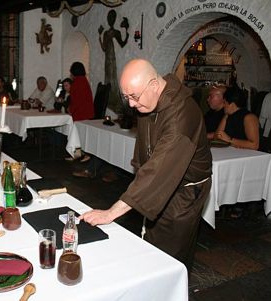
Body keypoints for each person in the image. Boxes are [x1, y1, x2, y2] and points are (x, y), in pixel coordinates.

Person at [81, 59, 212, 271]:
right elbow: (146, 150)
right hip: (157, 183)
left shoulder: (182, 116)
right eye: (127, 97)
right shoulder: (149, 100)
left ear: (153, 85)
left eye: (134, 96)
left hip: (184, 193)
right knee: (151, 243)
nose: (131, 104)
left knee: (169, 255)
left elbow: (159, 170)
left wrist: (112, 212)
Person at [215, 86, 260, 150]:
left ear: (232, 104)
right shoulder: (227, 115)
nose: (223, 105)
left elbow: (254, 145)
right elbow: (216, 137)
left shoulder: (249, 117)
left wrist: (230, 140)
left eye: (224, 102)